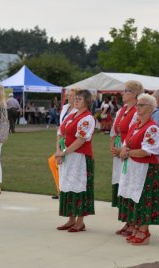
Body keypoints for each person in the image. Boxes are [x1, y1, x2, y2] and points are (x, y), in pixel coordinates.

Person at [117, 93, 159, 245]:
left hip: (146, 169)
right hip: (133, 168)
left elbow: (148, 150)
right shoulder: (136, 125)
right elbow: (126, 142)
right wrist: (123, 149)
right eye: (137, 104)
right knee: (134, 197)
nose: (137, 107)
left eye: (141, 105)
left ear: (150, 108)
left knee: (144, 199)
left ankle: (144, 231)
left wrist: (127, 152)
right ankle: (136, 227)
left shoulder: (152, 128)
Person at [55, 89, 95, 232]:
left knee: (79, 186)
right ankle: (70, 218)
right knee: (67, 185)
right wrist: (59, 152)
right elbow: (60, 133)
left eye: (79, 99)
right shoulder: (71, 115)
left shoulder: (87, 118)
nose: (76, 100)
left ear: (87, 102)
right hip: (68, 157)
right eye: (75, 98)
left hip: (79, 158)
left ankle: (80, 221)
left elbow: (81, 139)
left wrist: (64, 152)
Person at [110, 80, 143, 236]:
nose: (123, 93)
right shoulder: (122, 110)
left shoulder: (137, 111)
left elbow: (134, 131)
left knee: (130, 185)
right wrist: (113, 146)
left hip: (129, 150)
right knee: (122, 186)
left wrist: (123, 149)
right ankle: (127, 220)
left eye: (127, 90)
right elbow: (114, 130)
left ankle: (133, 221)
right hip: (119, 150)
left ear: (135, 94)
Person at [48, 89, 77, 199]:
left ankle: (65, 191)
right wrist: (58, 147)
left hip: (71, 142)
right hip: (62, 140)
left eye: (72, 95)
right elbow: (60, 127)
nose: (69, 97)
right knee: (53, 162)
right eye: (69, 95)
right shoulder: (65, 108)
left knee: (64, 166)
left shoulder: (78, 111)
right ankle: (60, 190)